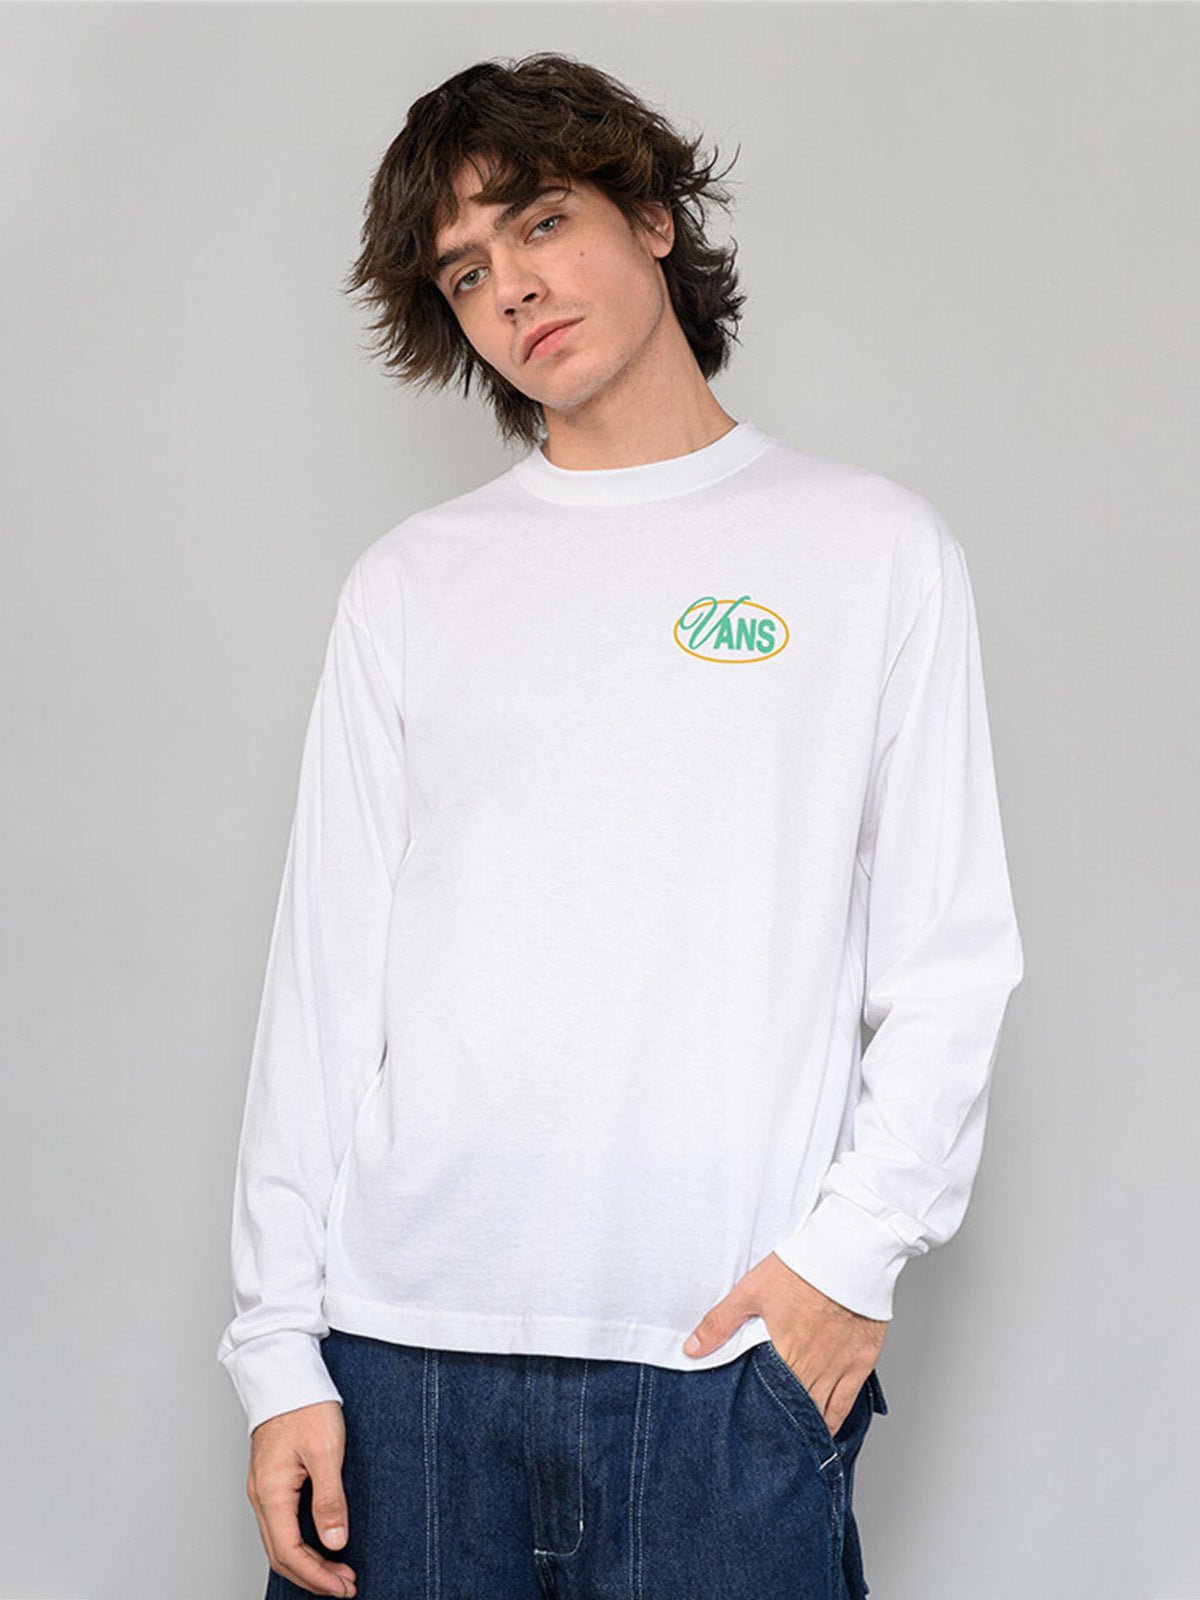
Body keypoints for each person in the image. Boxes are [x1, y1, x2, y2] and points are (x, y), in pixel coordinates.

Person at [217, 50, 1024, 1600]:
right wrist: (277, 1352)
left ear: (651, 217)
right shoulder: (412, 584)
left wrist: (849, 1266)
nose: (512, 287)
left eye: (540, 222)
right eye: (466, 271)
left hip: (723, 1361)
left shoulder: (871, 551)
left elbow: (948, 958)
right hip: (402, 1369)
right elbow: (321, 989)